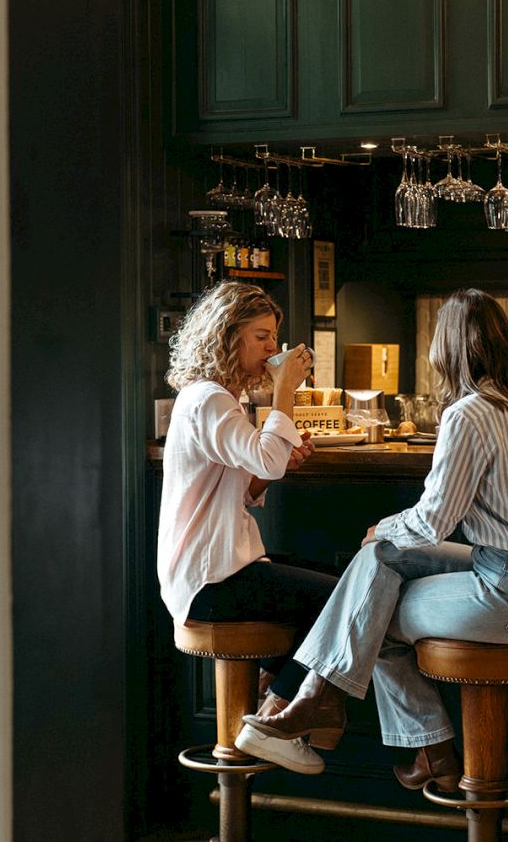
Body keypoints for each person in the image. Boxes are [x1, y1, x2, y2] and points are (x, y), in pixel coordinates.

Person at [241, 288, 508, 792]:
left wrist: (384, 527)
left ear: (446, 349)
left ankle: (345, 712)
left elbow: (434, 521)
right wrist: (385, 538)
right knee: (375, 571)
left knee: (374, 601)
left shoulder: (468, 414)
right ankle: (349, 715)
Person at [157, 281, 338, 774]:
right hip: (211, 579)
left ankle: (270, 707)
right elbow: (266, 456)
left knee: (338, 584)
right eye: (261, 336)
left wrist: (272, 466)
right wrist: (285, 394)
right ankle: (274, 720)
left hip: (220, 569)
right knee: (339, 599)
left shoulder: (215, 399)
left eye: (273, 336)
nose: (271, 349)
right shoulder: (209, 400)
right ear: (226, 337)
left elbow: (245, 481)